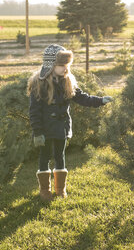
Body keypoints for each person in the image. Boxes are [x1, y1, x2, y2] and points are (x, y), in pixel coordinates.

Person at [27, 44, 113, 200]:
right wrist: (38, 132)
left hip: (61, 127)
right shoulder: (39, 84)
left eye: (67, 65)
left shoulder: (68, 81)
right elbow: (34, 111)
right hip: (45, 129)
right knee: (44, 156)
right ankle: (45, 190)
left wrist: (100, 101)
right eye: (61, 65)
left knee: (60, 155)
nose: (65, 68)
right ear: (51, 65)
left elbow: (82, 98)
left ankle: (60, 189)